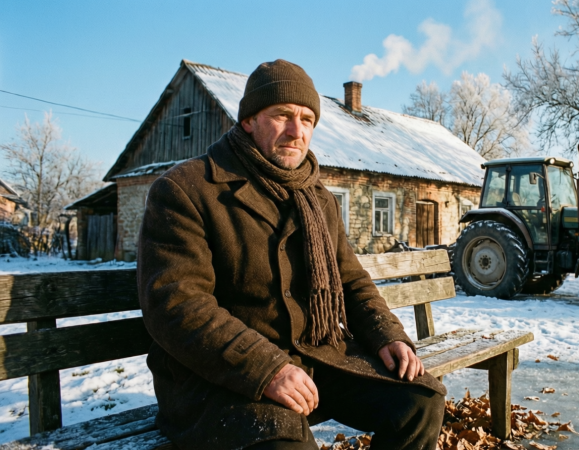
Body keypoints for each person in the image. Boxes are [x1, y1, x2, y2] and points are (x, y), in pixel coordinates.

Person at [137, 59, 446, 450]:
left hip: (314, 358)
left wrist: (386, 334)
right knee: (285, 442)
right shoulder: (187, 190)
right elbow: (177, 304)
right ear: (248, 120)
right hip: (221, 377)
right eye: (282, 115)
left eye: (306, 119)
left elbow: (350, 279)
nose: (296, 131)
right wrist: (266, 367)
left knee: (420, 401)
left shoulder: (317, 198)